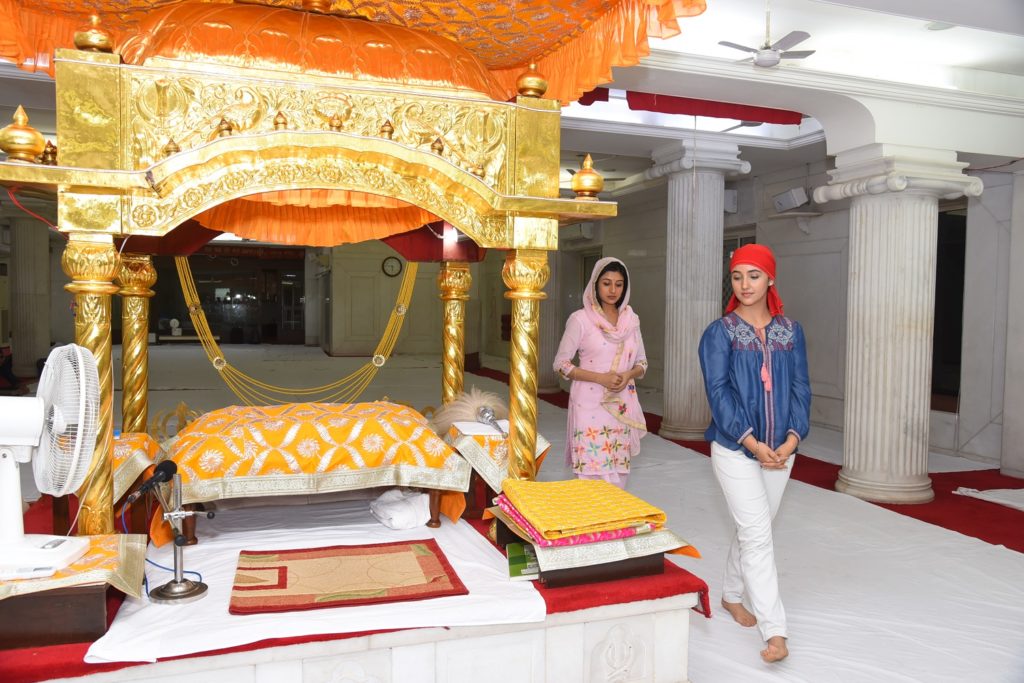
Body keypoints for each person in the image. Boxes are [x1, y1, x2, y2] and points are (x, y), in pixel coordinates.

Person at [698, 243, 811, 663]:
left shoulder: (790, 331)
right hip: (734, 447)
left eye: (754, 275)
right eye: (737, 276)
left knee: (755, 528)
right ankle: (776, 631)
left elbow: (801, 388)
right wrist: (752, 442)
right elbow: (718, 393)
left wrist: (790, 441)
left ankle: (730, 594)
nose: (745, 284)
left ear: (770, 279)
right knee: (759, 535)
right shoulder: (719, 332)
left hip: (782, 450)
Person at [553, 257, 648, 488]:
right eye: (606, 283)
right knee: (591, 469)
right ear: (595, 284)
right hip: (589, 404)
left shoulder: (631, 321)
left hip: (621, 405)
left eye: (618, 284)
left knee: (617, 469)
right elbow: (561, 363)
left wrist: (628, 375)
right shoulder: (580, 320)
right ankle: (592, 521)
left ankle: (612, 521)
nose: (613, 290)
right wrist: (600, 378)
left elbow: (642, 363)